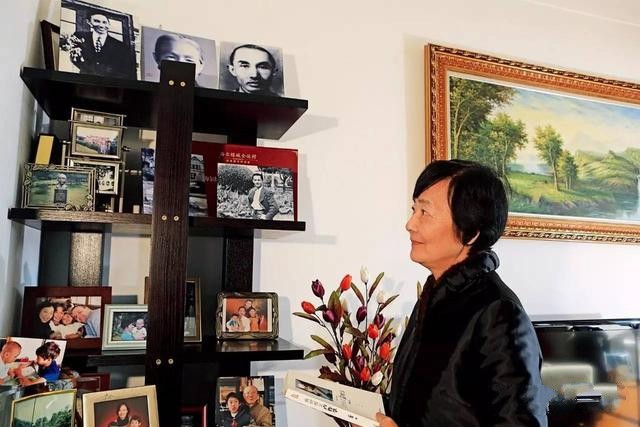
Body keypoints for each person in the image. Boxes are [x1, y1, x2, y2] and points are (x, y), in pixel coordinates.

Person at [377, 160, 552, 427]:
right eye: (414, 210)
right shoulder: (433, 298)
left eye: (425, 212)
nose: (410, 224)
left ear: (470, 233)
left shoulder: (498, 313)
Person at [66, 12, 135, 79]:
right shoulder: (79, 36)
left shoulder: (120, 46)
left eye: (104, 22)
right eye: (97, 21)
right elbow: (75, 60)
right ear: (89, 22)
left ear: (109, 24)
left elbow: (124, 72)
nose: (101, 25)